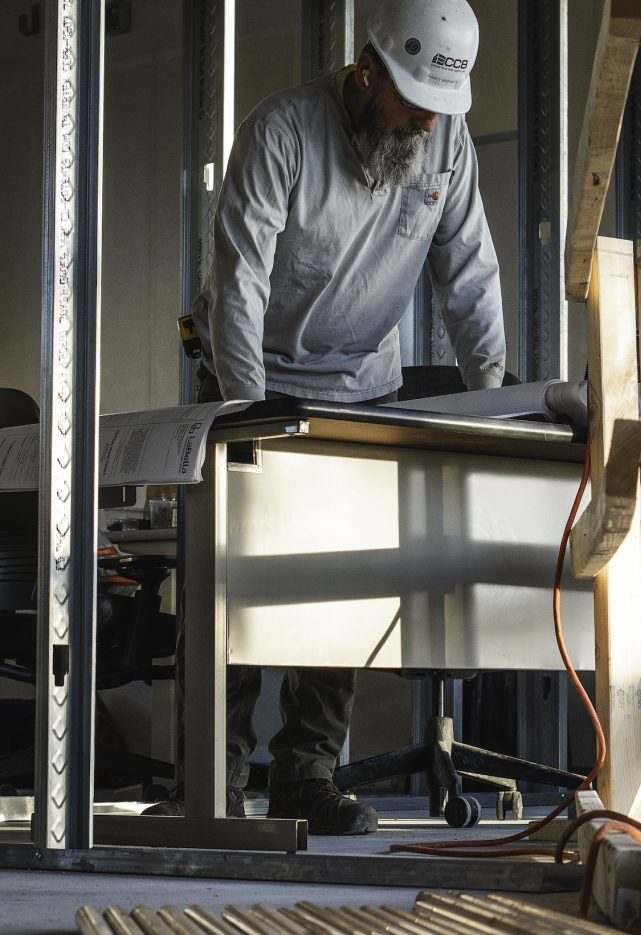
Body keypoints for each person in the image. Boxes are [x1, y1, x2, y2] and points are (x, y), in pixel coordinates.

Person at [147, 0, 505, 835]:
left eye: (440, 106)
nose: (426, 119)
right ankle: (214, 782)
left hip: (361, 390)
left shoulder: (442, 137)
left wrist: (494, 406)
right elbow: (239, 284)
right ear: (369, 68)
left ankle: (307, 777)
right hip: (253, 378)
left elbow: (472, 276)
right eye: (414, 98)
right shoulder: (282, 133)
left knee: (334, 592)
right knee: (223, 590)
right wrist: (246, 418)